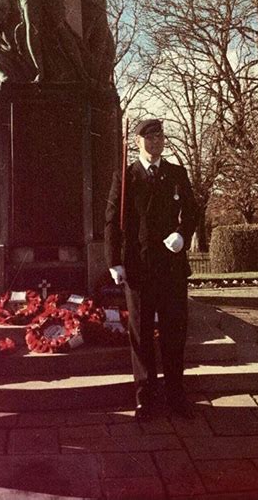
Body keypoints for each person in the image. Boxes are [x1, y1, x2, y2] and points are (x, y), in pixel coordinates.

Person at [105, 119, 199, 420]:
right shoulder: (126, 176)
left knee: (174, 332)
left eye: (159, 137)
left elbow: (192, 210)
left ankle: (176, 395)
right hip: (139, 268)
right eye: (149, 138)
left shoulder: (175, 173)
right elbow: (111, 221)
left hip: (171, 268)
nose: (155, 142)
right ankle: (145, 396)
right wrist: (114, 261)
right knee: (142, 335)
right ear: (137, 141)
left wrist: (183, 234)